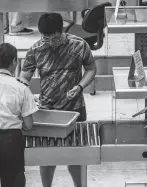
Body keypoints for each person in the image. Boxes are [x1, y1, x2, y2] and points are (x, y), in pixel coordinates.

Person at [19, 12, 96, 187]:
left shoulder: (79, 45)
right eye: (45, 38)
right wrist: (26, 94)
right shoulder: (36, 50)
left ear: (61, 31)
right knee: (47, 157)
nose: (50, 43)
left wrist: (80, 87)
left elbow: (91, 68)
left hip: (74, 109)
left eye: (54, 38)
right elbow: (24, 77)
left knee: (76, 155)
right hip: (47, 111)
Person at [0, 43, 38, 187]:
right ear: (15, 62)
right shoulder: (20, 88)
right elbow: (28, 124)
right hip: (10, 140)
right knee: (13, 180)